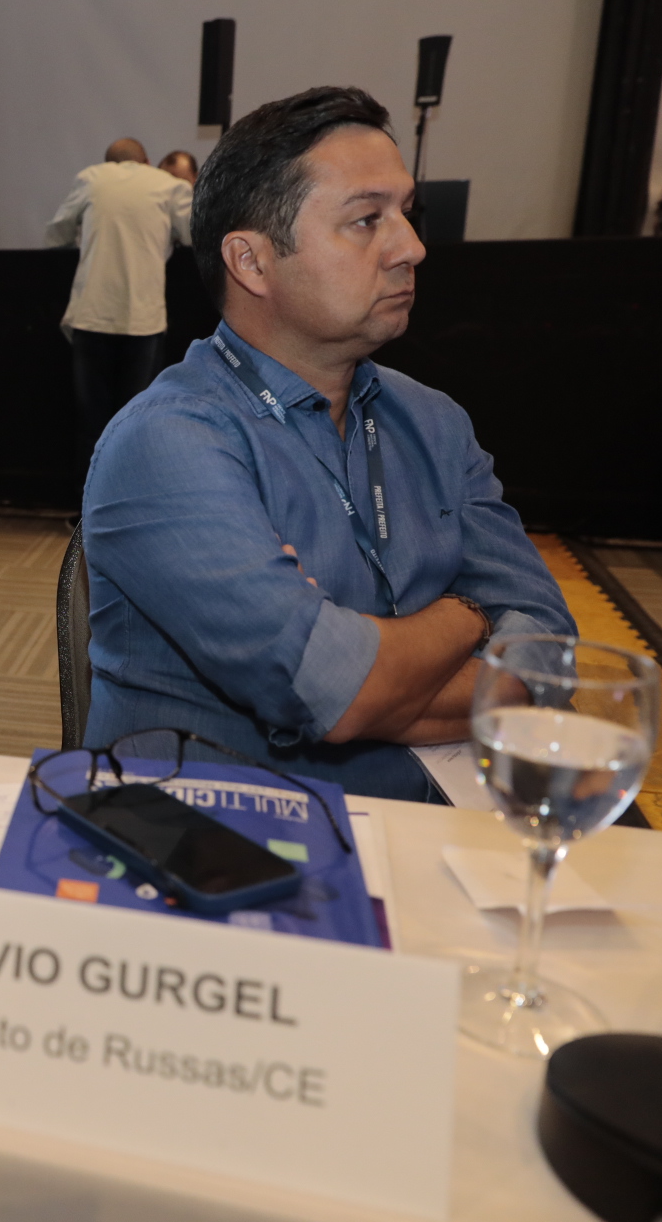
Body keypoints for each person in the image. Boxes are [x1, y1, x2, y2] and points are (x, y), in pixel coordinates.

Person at [81, 86, 575, 802]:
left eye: (407, 214)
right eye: (366, 220)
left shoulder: (433, 421)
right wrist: (467, 614)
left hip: (446, 818)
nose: (411, 248)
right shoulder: (167, 443)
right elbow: (337, 695)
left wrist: (383, 677)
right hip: (230, 836)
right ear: (251, 262)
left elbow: (550, 641)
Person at [46, 137, 193, 469]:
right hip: (142, 318)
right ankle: (130, 498)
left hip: (91, 315)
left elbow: (57, 233)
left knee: (92, 421)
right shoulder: (167, 184)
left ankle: (88, 499)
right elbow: (193, 234)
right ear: (146, 161)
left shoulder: (91, 179)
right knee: (135, 420)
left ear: (107, 163)